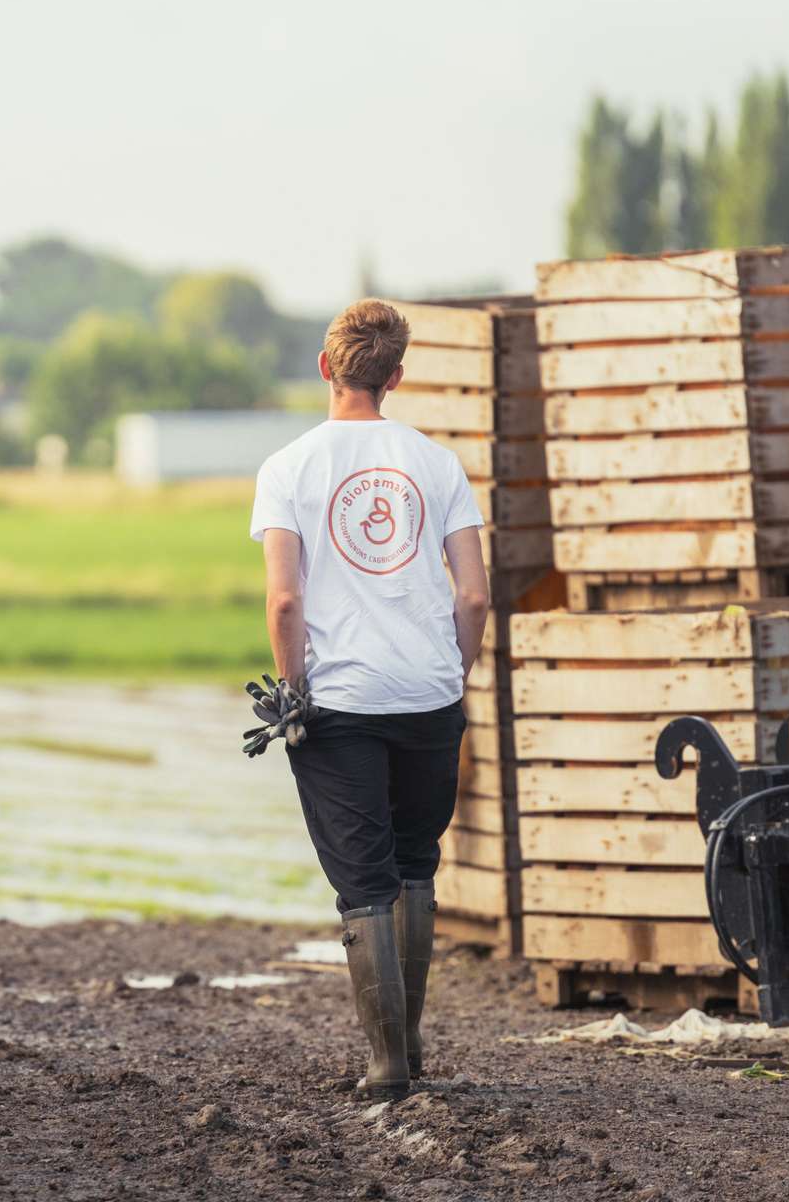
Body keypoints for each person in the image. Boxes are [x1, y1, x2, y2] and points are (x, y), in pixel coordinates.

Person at [247, 298, 490, 1099]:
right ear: (396, 376)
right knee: (416, 864)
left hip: (340, 704)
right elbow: (475, 596)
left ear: (326, 368)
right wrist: (454, 675)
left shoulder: (288, 468)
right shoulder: (437, 464)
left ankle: (386, 1065)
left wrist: (292, 692)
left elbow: (285, 603)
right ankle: (410, 1045)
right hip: (427, 695)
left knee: (365, 881)